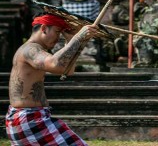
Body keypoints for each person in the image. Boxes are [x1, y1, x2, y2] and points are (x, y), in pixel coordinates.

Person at [6, 13, 98, 146]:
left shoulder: (35, 49)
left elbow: (67, 70)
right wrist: (78, 37)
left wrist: (73, 41)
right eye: (57, 32)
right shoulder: (30, 49)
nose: (58, 37)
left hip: (30, 118)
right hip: (29, 120)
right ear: (44, 28)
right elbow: (55, 64)